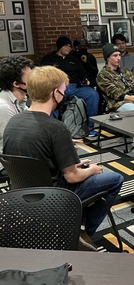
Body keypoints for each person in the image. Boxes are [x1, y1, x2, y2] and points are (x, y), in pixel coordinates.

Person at [2, 65, 124, 239]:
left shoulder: (14, 121)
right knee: (115, 179)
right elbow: (72, 177)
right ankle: (83, 234)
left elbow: (37, 158)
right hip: (55, 196)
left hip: (23, 194)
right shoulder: (56, 128)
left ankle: (69, 224)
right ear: (54, 93)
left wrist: (70, 166)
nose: (65, 93)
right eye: (63, 90)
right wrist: (92, 170)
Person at [96, 43, 134, 160]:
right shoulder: (102, 75)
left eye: (119, 55)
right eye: (115, 55)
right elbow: (116, 94)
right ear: (107, 58)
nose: (118, 58)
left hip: (133, 99)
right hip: (117, 104)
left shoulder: (124, 71)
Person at [41, 36, 99, 136]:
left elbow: (82, 72)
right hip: (57, 87)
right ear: (60, 47)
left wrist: (85, 80)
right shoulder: (49, 59)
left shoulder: (74, 59)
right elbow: (44, 74)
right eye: (66, 46)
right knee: (50, 98)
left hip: (75, 86)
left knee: (92, 94)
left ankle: (90, 126)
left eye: (69, 46)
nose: (68, 48)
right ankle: (52, 129)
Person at [0, 56, 33, 154]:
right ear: (16, 84)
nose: (34, 81)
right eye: (30, 78)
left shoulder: (21, 101)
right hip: (7, 164)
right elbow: (15, 142)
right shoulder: (4, 107)